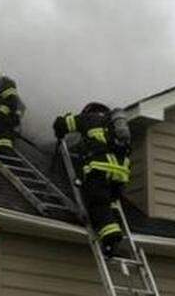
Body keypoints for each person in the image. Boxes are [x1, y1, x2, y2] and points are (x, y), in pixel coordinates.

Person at [54, 102, 132, 256]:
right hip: (120, 174)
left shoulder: (88, 119)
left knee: (97, 204)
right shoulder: (114, 126)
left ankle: (111, 240)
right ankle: (114, 233)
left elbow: (64, 124)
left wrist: (60, 124)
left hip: (100, 169)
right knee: (108, 204)